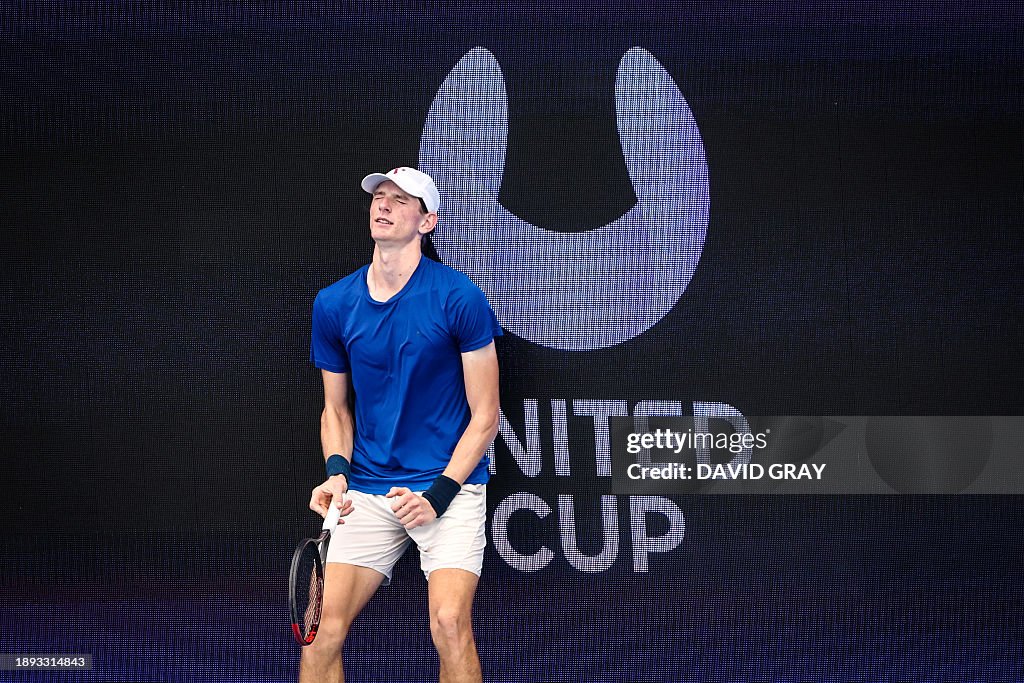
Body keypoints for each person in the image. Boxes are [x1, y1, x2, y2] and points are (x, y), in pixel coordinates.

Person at [300, 166, 502, 683]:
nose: (384, 205)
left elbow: (486, 417)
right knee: (320, 629)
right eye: (379, 197)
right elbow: (336, 410)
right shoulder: (334, 303)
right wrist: (337, 472)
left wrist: (438, 495)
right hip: (368, 488)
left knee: (450, 623)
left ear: (427, 221)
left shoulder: (459, 297)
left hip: (448, 485)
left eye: (401, 200)